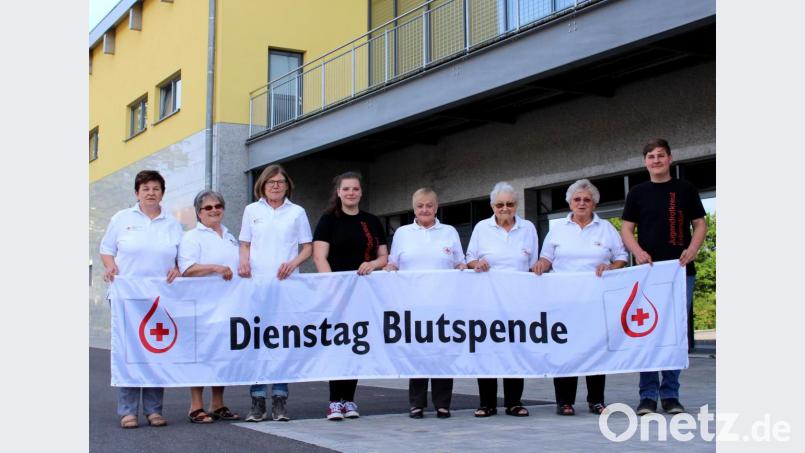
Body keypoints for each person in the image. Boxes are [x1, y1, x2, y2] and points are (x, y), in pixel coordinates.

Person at [620, 138, 707, 415]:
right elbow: (626, 230)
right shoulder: (638, 192)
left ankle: (670, 395)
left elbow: (700, 224)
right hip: (647, 273)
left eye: (660, 155)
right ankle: (647, 396)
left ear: (670, 158)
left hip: (680, 272)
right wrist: (638, 252)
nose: (656, 160)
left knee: (674, 333)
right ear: (645, 162)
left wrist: (692, 250)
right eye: (651, 156)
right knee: (646, 332)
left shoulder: (685, 189)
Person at [532, 179, 628, 416]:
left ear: (594, 203)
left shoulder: (606, 228)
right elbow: (546, 259)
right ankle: (564, 401)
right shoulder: (557, 230)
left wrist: (612, 268)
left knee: (595, 349)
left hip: (596, 302)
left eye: (587, 199)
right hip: (564, 302)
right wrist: (541, 265)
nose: (582, 203)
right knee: (565, 350)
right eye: (577, 199)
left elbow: (621, 257)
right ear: (570, 203)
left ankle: (596, 400)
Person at [100, 170, 183, 429]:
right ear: (137, 193)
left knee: (156, 352)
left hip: (160, 299)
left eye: (156, 188)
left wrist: (178, 268)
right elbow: (106, 250)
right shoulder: (121, 218)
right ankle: (128, 412)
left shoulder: (172, 223)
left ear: (162, 193)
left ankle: (154, 411)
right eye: (145, 188)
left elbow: (181, 257)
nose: (150, 193)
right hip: (127, 297)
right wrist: (111, 267)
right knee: (129, 353)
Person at [238, 164, 313, 422]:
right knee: (258, 342)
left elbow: (307, 247)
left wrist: (293, 263)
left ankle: (280, 400)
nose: (276, 185)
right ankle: (257, 401)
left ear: (286, 185)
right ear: (263, 185)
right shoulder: (252, 210)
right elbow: (245, 243)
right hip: (257, 287)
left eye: (280, 181)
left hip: (287, 287)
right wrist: (244, 261)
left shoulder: (297, 212)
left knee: (282, 342)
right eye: (271, 182)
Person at [384, 188, 467, 419]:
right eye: (420, 205)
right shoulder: (402, 233)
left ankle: (443, 403)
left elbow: (459, 263)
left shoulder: (449, 232)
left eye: (429, 205)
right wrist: (386, 270)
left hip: (443, 305)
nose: (425, 210)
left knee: (442, 353)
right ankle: (417, 403)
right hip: (414, 306)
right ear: (414, 208)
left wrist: (466, 269)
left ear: (436, 207)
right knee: (417, 353)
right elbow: (394, 263)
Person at [313, 171, 389, 420]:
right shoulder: (328, 220)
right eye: (346, 189)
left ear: (361, 192)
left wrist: (373, 265)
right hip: (336, 294)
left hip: (363, 292)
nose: (350, 193)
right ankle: (335, 402)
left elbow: (383, 256)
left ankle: (350, 401)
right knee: (338, 344)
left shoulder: (372, 221)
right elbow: (319, 256)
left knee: (356, 343)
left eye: (355, 189)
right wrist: (331, 286)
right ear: (338, 192)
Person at [465, 182, 538, 418]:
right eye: (499, 204)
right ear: (492, 206)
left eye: (510, 204)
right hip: (487, 302)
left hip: (517, 303)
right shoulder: (481, 228)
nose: (505, 208)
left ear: (516, 205)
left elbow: (532, 264)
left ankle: (514, 402)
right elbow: (468, 259)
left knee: (514, 351)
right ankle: (487, 403)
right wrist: (477, 263)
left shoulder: (528, 228)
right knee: (487, 351)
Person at [177, 190, 241, 424]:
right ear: (199, 212)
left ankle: (217, 403)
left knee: (221, 354)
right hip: (202, 306)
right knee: (200, 354)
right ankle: (195, 406)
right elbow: (187, 268)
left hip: (229, 305)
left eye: (218, 206)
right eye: (208, 208)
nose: (214, 210)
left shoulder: (230, 235)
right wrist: (215, 267)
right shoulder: (192, 237)